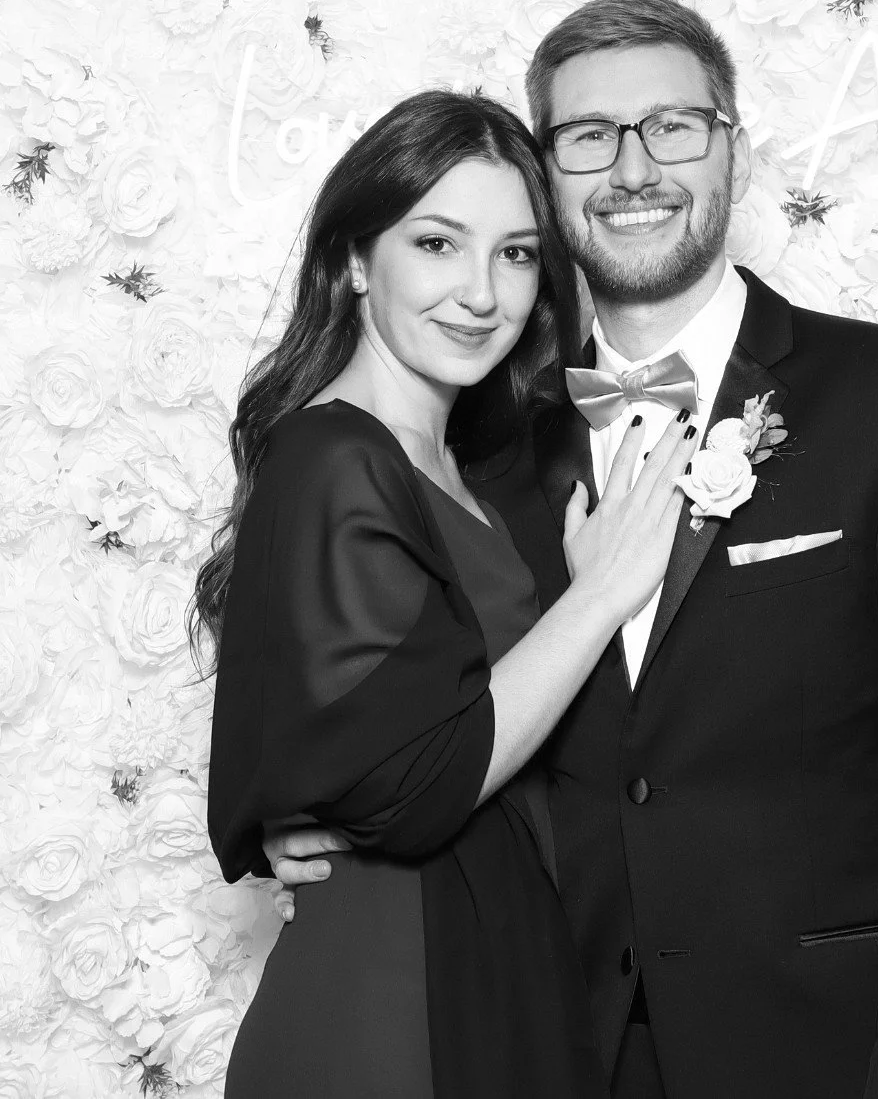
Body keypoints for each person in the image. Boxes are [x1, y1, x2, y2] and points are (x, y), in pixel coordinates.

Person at [270, 0, 878, 1098]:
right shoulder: (479, 442)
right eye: (588, 137)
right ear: (547, 173)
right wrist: (303, 822)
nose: (632, 169)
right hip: (544, 1044)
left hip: (818, 1049)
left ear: (730, 144)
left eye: (671, 126)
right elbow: (410, 704)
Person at [197, 88, 697, 1099]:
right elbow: (416, 784)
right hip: (393, 996)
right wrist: (595, 596)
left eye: (514, 254)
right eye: (436, 244)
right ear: (351, 262)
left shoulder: (460, 467)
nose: (481, 293)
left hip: (486, 960)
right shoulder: (334, 457)